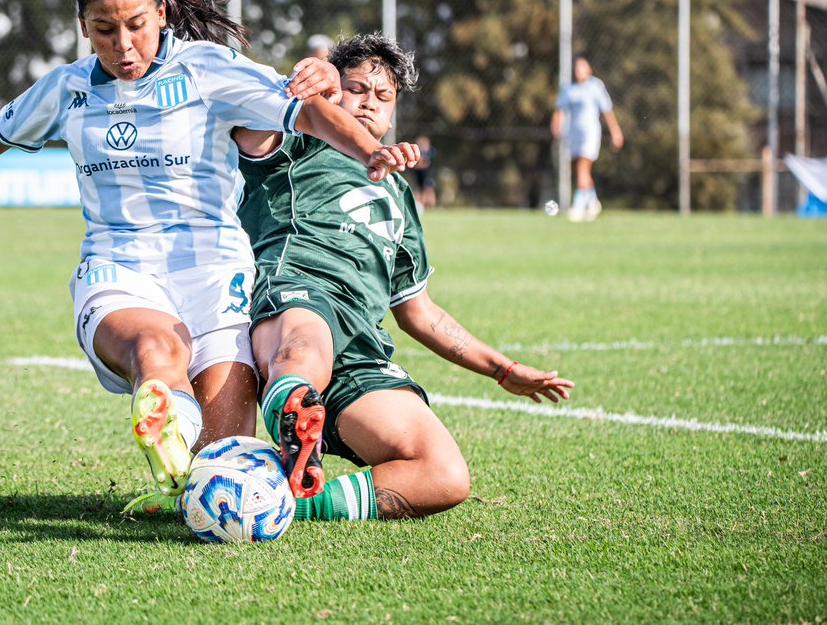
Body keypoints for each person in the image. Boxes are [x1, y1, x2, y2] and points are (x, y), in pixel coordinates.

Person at [0, 0, 416, 511]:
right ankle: (162, 415)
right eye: (104, 29)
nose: (123, 45)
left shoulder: (208, 69)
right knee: (157, 348)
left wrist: (368, 148)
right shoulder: (67, 88)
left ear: (163, 13)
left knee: (223, 466)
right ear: (82, 26)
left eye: (136, 25)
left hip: (214, 274)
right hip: (119, 268)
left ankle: (178, 475)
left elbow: (305, 110)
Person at [234, 33, 574, 520]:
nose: (369, 103)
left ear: (394, 113)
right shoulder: (294, 142)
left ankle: (285, 503)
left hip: (362, 346)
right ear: (333, 89)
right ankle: (294, 408)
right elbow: (247, 122)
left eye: (383, 96)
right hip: (298, 296)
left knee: (444, 474)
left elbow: (418, 311)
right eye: (356, 88)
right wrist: (307, 77)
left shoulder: (398, 193)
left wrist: (501, 369)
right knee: (307, 350)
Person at [551, 56, 624, 222]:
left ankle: (578, 206)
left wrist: (615, 131)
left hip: (591, 134)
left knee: (583, 169)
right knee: (581, 169)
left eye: (582, 67)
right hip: (573, 135)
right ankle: (592, 202)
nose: (579, 71)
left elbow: (607, 110)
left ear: (589, 69)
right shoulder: (569, 89)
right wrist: (556, 125)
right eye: (577, 68)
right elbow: (560, 110)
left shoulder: (596, 87)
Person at [412, 135, 437, 211]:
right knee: (419, 189)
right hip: (419, 174)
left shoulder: (429, 152)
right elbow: (416, 165)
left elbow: (427, 163)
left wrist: (421, 164)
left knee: (429, 189)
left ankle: (431, 206)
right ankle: (421, 205)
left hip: (427, 174)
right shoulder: (418, 152)